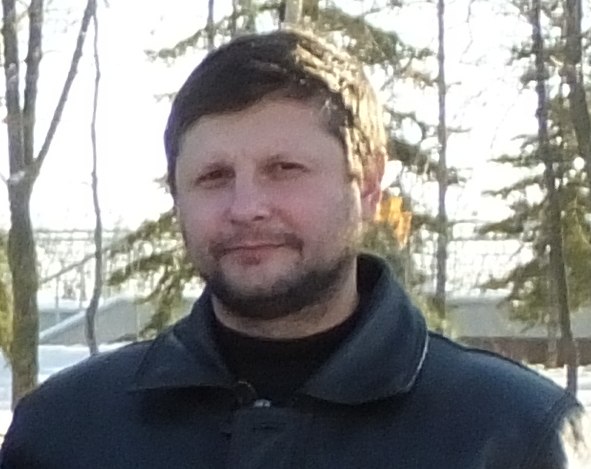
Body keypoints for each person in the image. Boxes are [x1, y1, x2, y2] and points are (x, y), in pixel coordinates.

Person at [1, 29, 589, 469]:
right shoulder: (65, 433)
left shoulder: (510, 435)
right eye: (213, 177)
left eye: (284, 169)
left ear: (367, 185)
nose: (246, 207)